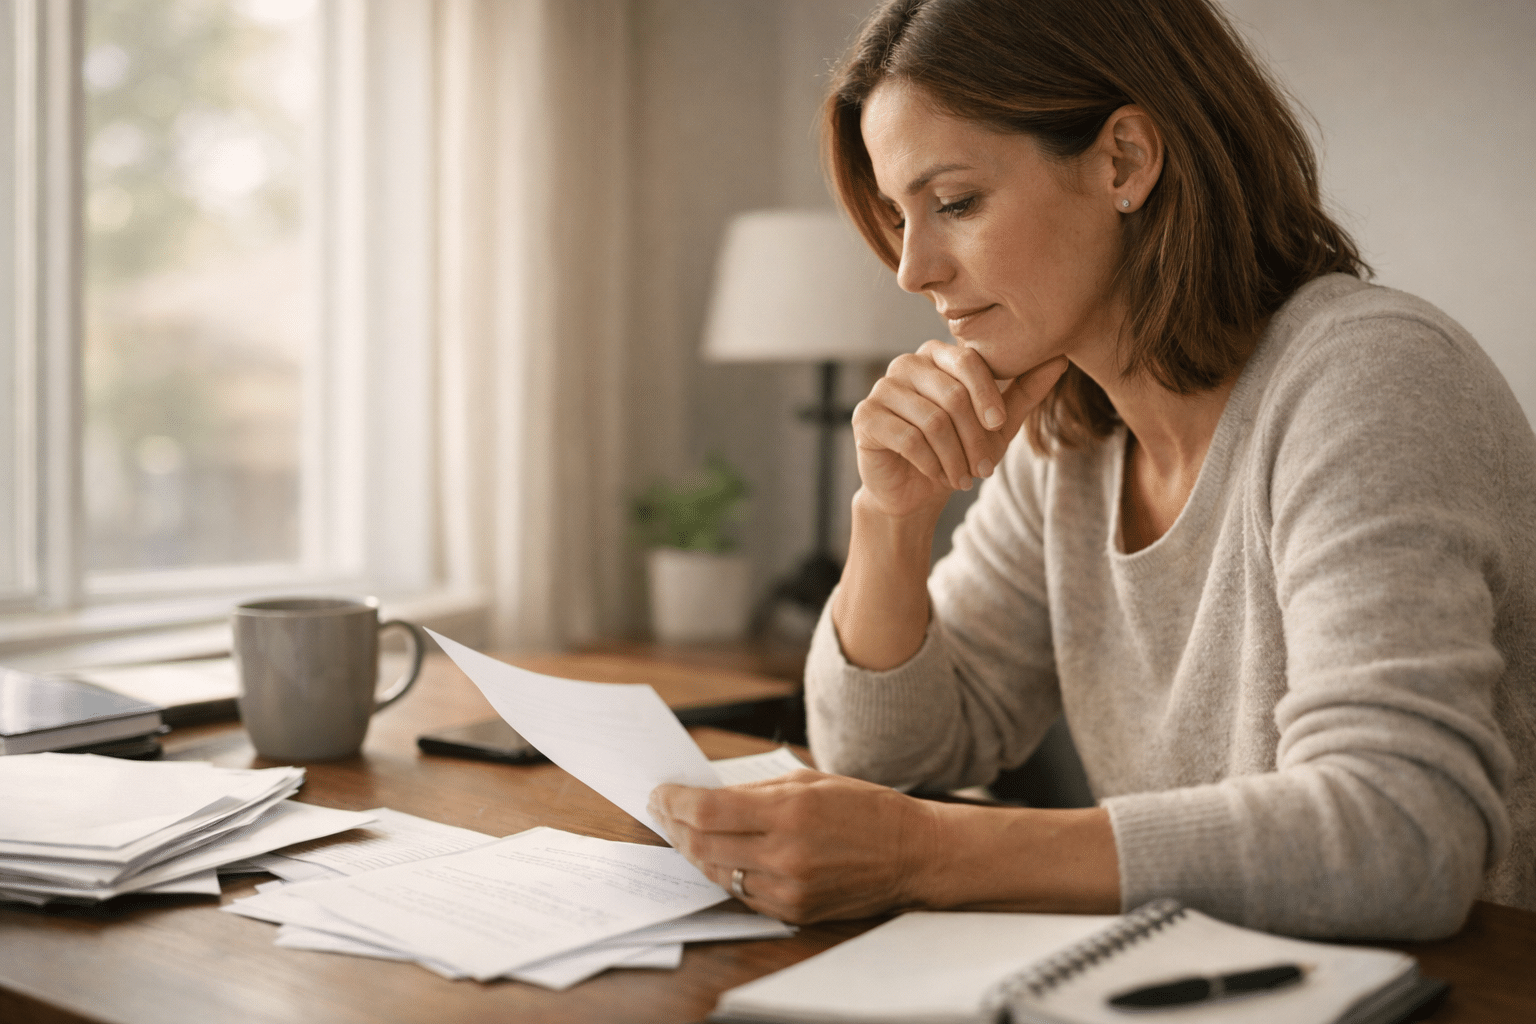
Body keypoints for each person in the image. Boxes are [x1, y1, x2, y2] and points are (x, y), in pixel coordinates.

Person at [649, 0, 1536, 939]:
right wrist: (891, 512)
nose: (911, 270)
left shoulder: (1369, 379)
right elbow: (883, 756)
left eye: (954, 203)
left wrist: (928, 854)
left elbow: (1398, 834)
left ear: (1124, 161)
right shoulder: (1070, 435)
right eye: (897, 216)